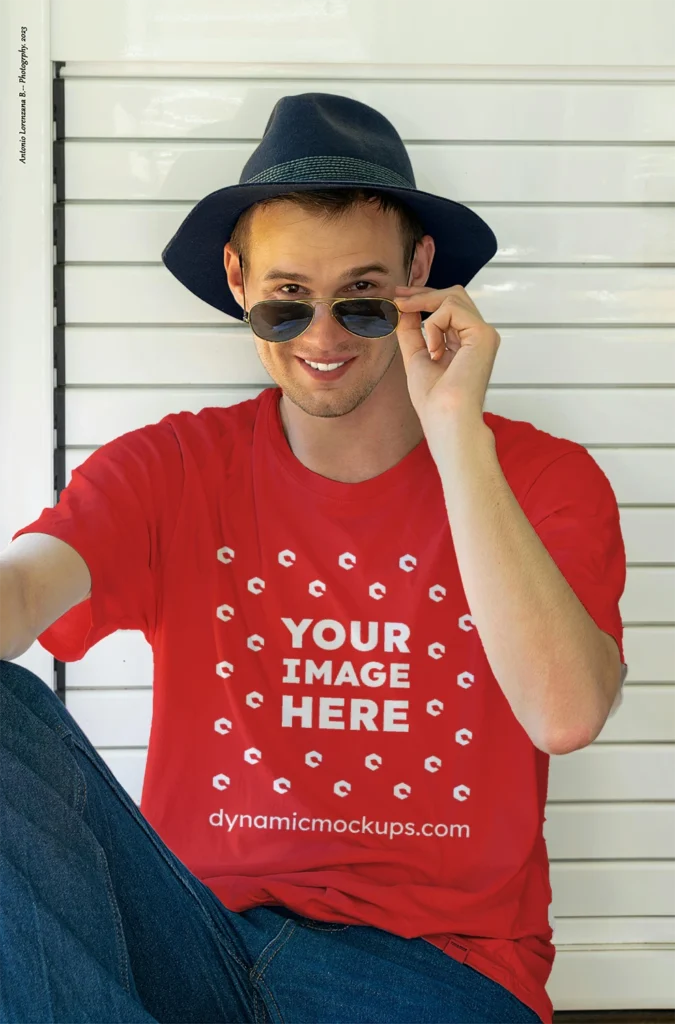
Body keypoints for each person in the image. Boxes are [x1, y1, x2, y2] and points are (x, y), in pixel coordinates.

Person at [0, 92, 627, 1024]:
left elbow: (564, 714)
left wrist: (454, 429)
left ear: (419, 274)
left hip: (431, 968)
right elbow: (27, 588)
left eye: (363, 302)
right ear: (238, 279)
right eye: (287, 303)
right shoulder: (175, 465)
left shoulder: (541, 478)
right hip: (197, 939)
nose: (325, 338)